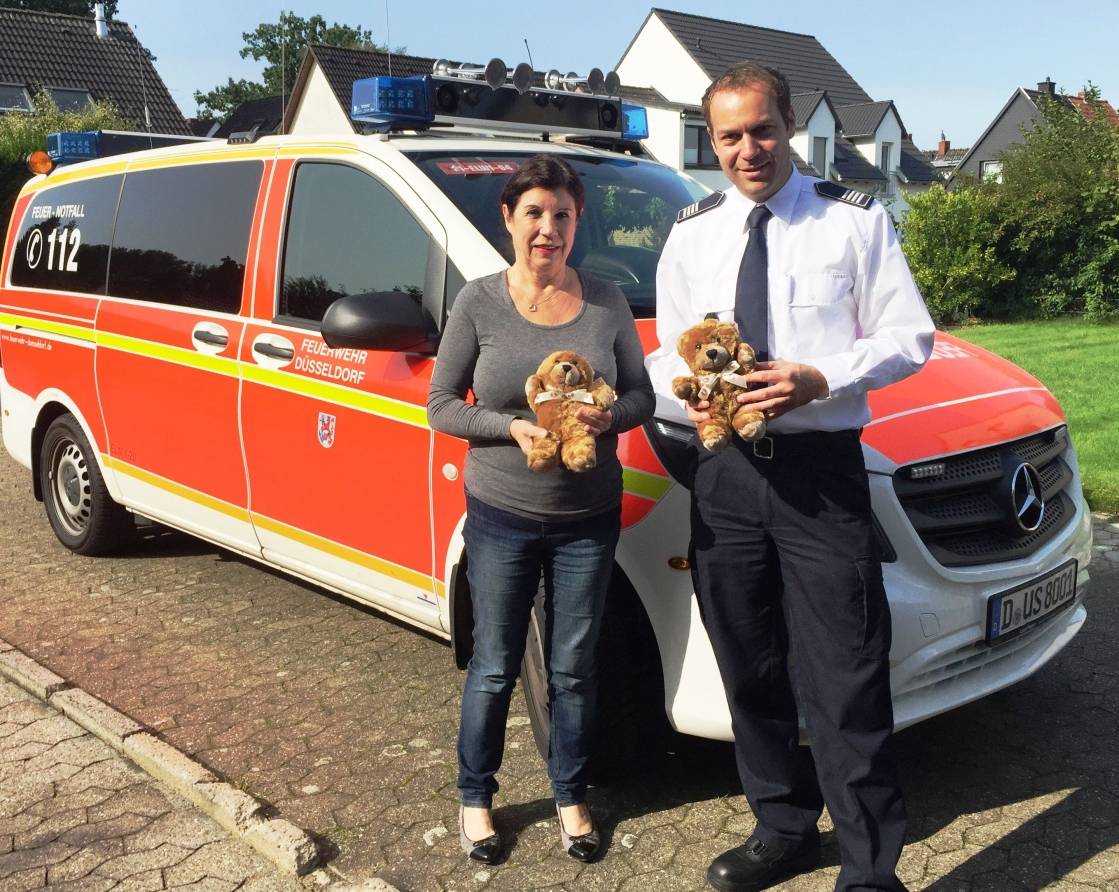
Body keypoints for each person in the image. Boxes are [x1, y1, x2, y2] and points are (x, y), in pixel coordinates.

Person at [646, 63, 934, 892]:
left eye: (761, 129)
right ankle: (781, 825)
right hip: (725, 477)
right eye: (728, 135)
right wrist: (699, 389)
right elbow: (669, 356)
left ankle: (871, 871)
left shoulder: (852, 222)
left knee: (845, 675)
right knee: (749, 664)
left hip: (819, 476)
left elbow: (906, 337)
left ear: (790, 130)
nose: (747, 150)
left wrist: (820, 378)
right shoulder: (692, 232)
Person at [427, 154, 655, 865]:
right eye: (534, 213)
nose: (547, 229)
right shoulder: (477, 302)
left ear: (576, 221)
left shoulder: (605, 301)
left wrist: (609, 417)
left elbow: (641, 393)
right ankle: (475, 797)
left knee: (575, 666)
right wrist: (510, 427)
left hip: (588, 516)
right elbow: (440, 405)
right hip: (501, 511)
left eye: (561, 215)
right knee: (494, 664)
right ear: (508, 219)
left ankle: (569, 794)